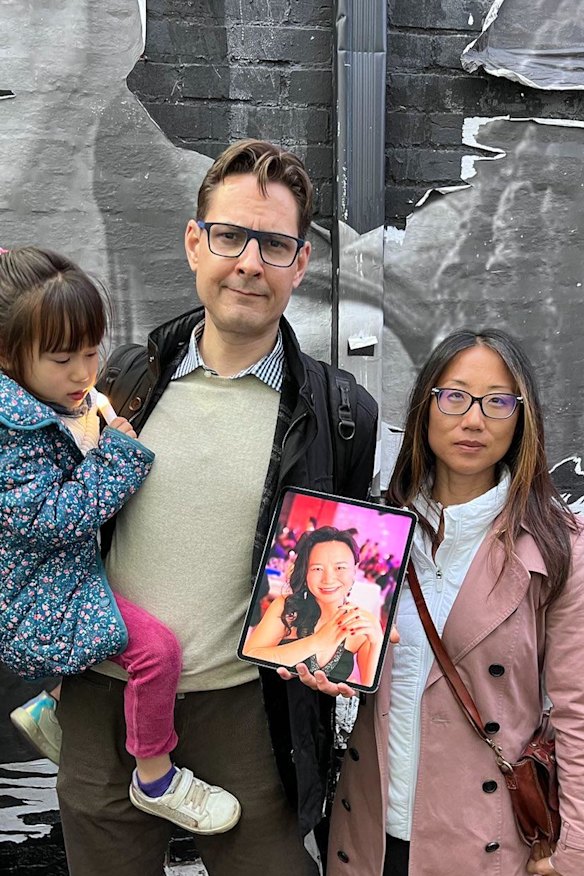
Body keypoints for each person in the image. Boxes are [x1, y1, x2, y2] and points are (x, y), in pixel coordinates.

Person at [54, 140, 378, 876]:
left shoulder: (340, 412)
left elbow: (346, 564)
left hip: (245, 713)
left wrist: (331, 648)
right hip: (104, 700)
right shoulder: (124, 378)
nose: (249, 263)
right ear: (195, 242)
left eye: (275, 244)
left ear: (300, 264)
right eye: (230, 235)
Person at [293, 329, 584, 875]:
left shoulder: (557, 545)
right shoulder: (369, 534)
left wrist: (573, 854)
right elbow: (334, 649)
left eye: (498, 401)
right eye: (455, 396)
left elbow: (578, 710)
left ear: (522, 418)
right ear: (425, 405)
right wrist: (320, 664)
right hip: (370, 832)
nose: (473, 419)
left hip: (487, 839)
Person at [0, 246, 240, 837]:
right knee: (156, 652)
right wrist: (116, 462)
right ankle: (154, 776)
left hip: (48, 583)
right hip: (35, 601)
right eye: (64, 359)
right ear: (7, 356)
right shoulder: (12, 435)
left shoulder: (35, 408)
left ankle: (51, 709)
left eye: (91, 351)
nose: (85, 373)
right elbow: (51, 519)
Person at [244, 526, 384, 688]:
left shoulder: (360, 625)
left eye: (340, 568)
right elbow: (250, 657)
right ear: (306, 572)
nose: (328, 579)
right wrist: (318, 641)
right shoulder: (287, 608)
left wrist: (377, 643)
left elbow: (366, 692)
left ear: (354, 570)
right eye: (317, 568)